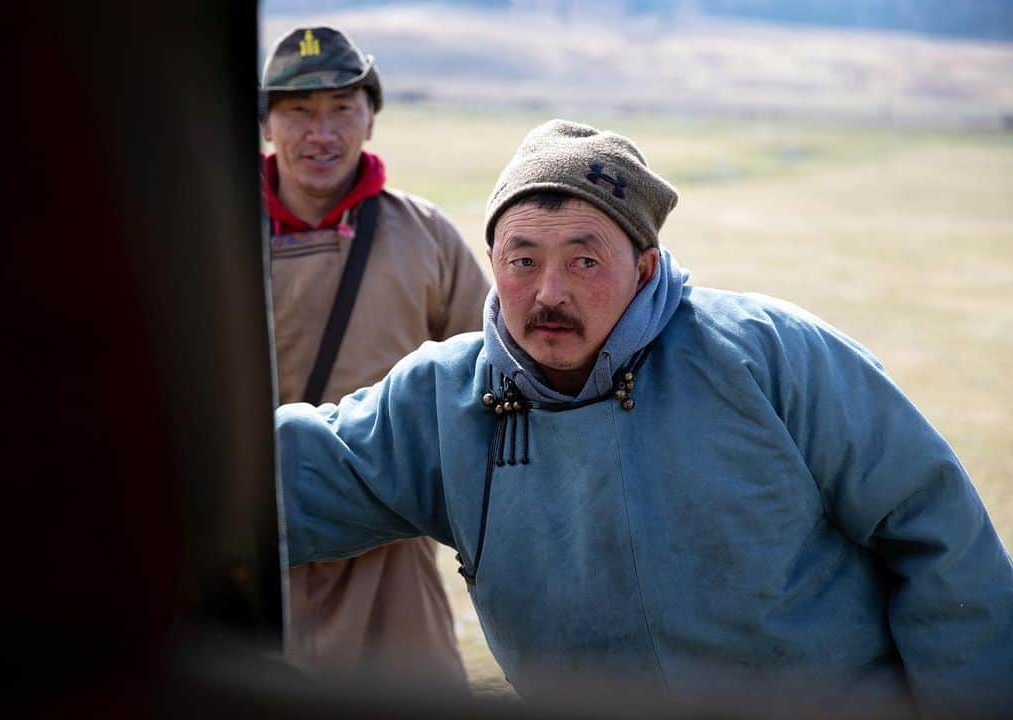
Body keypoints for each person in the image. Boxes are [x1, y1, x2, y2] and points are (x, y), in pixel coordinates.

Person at [276, 119, 1013, 715]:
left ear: (647, 267)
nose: (548, 293)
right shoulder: (444, 403)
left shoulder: (768, 357)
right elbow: (294, 480)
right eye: (522, 260)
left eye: (585, 261)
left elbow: (939, 536)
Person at [259, 26, 488, 685]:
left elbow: (490, 375)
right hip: (257, 540)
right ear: (268, 126)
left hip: (388, 546)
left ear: (371, 118)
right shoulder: (215, 237)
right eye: (298, 111)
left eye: (342, 108)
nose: (320, 132)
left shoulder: (426, 236)